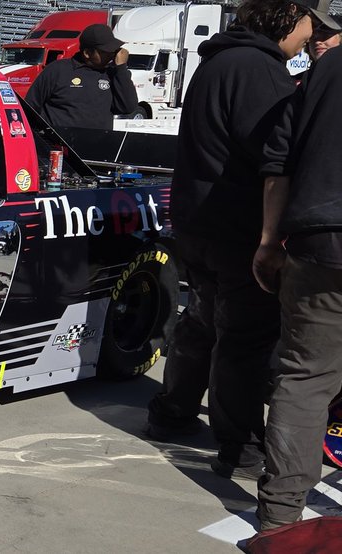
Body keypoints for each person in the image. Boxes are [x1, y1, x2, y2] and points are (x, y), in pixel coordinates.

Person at [146, 0, 322, 482]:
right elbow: (274, 152)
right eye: (307, 29)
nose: (309, 39)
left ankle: (172, 411)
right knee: (243, 340)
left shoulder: (218, 60)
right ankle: (240, 445)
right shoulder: (259, 69)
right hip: (237, 225)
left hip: (198, 219)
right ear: (286, 19)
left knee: (202, 322)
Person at [252, 1, 342, 531]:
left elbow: (277, 165)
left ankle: (280, 520)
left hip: (320, 242)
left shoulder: (322, 74)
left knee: (304, 379)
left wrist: (268, 241)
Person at [24, 24, 138, 130]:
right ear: (87, 53)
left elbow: (127, 108)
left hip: (97, 146)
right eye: (105, 51)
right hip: (59, 146)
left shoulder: (113, 74)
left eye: (114, 50)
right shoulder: (58, 70)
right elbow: (30, 107)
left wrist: (121, 68)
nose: (112, 54)